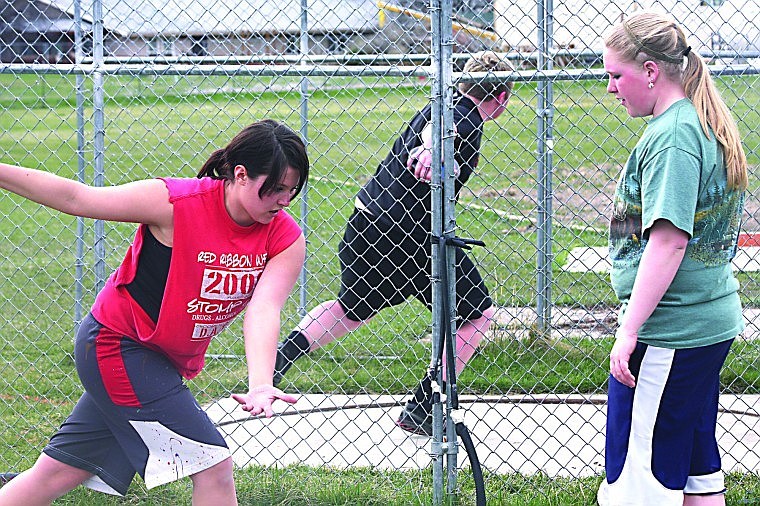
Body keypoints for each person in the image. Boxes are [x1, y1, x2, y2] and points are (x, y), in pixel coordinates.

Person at [0, 119, 309, 505]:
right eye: (276, 188)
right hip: (117, 345)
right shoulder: (176, 203)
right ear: (241, 175)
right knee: (214, 466)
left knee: (58, 472)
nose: (284, 200)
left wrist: (261, 382)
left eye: (292, 190)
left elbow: (264, 309)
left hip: (161, 361)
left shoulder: (284, 237)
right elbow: (78, 198)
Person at [272, 51, 514, 436]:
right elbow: (438, 138)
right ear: (501, 98)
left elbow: (434, 129)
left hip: (366, 222)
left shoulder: (442, 103)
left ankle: (278, 361)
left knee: (350, 309)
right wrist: (431, 153)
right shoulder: (467, 119)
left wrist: (430, 148)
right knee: (477, 315)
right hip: (407, 237)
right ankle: (423, 405)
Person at [597, 12, 748, 506]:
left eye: (616, 76)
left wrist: (629, 329)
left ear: (650, 71)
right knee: (693, 472)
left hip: (671, 334)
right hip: (701, 327)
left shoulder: (674, 136)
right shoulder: (693, 122)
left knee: (636, 482)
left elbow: (669, 241)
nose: (612, 89)